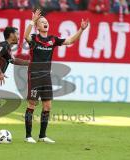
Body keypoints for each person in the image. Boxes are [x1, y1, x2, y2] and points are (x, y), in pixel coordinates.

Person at [24, 9, 89, 143]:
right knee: (32, 104)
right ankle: (28, 136)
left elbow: (70, 41)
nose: (45, 23)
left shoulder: (53, 40)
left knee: (47, 106)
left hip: (46, 76)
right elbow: (26, 36)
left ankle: (42, 136)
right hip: (34, 75)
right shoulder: (35, 38)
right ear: (37, 26)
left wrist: (81, 30)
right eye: (42, 22)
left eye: (46, 21)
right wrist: (32, 21)